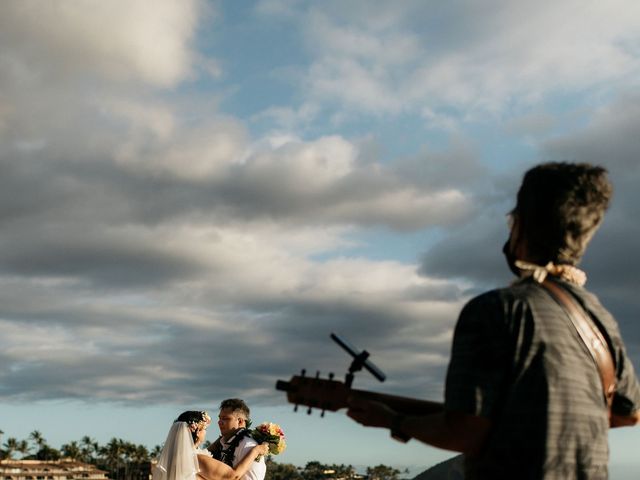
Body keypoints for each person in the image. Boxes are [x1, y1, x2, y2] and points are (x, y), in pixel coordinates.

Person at [347, 162, 640, 479]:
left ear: (522, 225)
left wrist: (394, 420)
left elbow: (464, 431)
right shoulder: (601, 319)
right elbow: (630, 414)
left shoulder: (495, 310)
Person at [153, 410, 269, 480]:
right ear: (197, 432)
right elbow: (233, 476)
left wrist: (222, 439)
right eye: (205, 429)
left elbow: (207, 450)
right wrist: (256, 451)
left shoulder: (174, 458)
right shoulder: (197, 459)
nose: (206, 432)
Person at [208, 399, 266, 480]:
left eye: (225, 418)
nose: (219, 422)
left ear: (240, 421)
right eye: (220, 418)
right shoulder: (223, 442)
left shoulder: (248, 444)